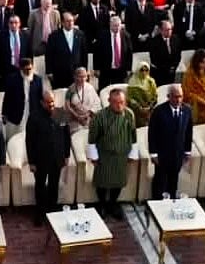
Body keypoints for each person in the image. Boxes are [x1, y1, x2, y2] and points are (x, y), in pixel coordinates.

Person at [87, 89, 137, 220]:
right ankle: (102, 205)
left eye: (122, 102)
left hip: (122, 156)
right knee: (102, 183)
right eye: (116, 102)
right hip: (104, 156)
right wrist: (94, 156)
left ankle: (112, 204)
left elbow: (133, 135)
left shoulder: (129, 114)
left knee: (118, 183)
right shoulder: (100, 116)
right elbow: (92, 138)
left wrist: (133, 153)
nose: (119, 105)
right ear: (109, 101)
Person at [26, 90, 71, 225]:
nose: (51, 104)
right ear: (42, 102)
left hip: (57, 158)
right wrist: (31, 162)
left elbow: (66, 137)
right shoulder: (34, 117)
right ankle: (40, 213)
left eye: (52, 101)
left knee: (53, 185)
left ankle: (52, 212)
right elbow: (29, 141)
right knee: (40, 186)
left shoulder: (61, 114)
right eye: (48, 102)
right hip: (40, 159)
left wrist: (66, 155)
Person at [148, 85, 194, 198]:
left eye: (180, 97)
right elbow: (152, 133)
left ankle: (171, 201)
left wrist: (187, 151)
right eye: (175, 97)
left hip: (178, 154)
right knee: (160, 181)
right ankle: (157, 204)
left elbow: (188, 132)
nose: (178, 100)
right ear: (169, 97)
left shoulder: (187, 110)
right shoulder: (159, 111)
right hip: (162, 154)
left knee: (173, 181)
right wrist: (153, 153)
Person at [181, 49, 205, 125]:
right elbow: (187, 92)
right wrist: (203, 102)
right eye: (203, 62)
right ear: (197, 62)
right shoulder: (189, 73)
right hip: (195, 105)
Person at [64, 67, 101, 132]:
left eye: (84, 76)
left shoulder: (90, 87)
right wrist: (78, 117)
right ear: (75, 77)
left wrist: (87, 114)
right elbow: (67, 106)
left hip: (89, 117)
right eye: (80, 77)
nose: (83, 79)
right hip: (75, 120)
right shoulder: (70, 90)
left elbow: (97, 103)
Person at [126, 62, 158, 127]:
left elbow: (155, 96)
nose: (144, 72)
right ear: (138, 70)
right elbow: (130, 98)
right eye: (142, 70)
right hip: (136, 109)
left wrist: (149, 107)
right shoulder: (132, 82)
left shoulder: (151, 81)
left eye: (146, 70)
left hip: (149, 108)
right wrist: (139, 107)